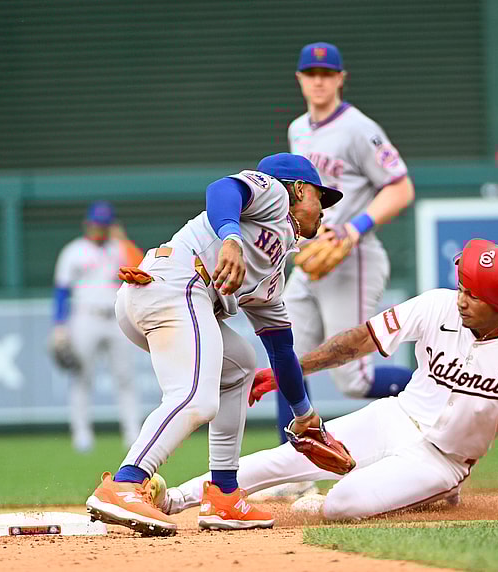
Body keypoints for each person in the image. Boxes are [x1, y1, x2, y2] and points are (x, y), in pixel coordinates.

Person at [159, 238, 498, 521]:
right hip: (394, 417)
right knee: (282, 460)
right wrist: (291, 367)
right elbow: (359, 341)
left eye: (474, 295)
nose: (461, 298)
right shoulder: (436, 305)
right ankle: (176, 498)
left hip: (442, 461)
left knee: (339, 506)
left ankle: (433, 494)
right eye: (463, 286)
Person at [85, 153, 345, 536]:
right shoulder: (273, 194)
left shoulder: (273, 273)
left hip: (163, 296)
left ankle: (224, 495)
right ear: (300, 189)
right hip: (175, 284)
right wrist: (232, 239)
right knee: (196, 397)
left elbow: (281, 351)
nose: (323, 210)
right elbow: (222, 189)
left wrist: (306, 417)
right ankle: (126, 482)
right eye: (319, 198)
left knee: (239, 362)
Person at [273, 41, 415, 469]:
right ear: (300, 79)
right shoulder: (298, 129)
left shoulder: (358, 128)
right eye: (311, 74)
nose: (319, 81)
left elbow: (400, 187)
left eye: (327, 74)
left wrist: (355, 228)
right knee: (287, 360)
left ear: (340, 78)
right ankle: (294, 470)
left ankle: (442, 399)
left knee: (354, 380)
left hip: (354, 259)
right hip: (314, 261)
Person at [51, 201, 145, 453]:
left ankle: (132, 434)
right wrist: (59, 326)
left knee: (125, 377)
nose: (98, 229)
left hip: (117, 318)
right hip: (85, 317)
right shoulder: (74, 251)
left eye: (103, 225)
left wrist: (123, 240)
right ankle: (81, 434)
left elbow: (142, 267)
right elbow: (61, 291)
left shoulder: (120, 248)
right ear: (87, 223)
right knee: (82, 377)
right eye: (95, 224)